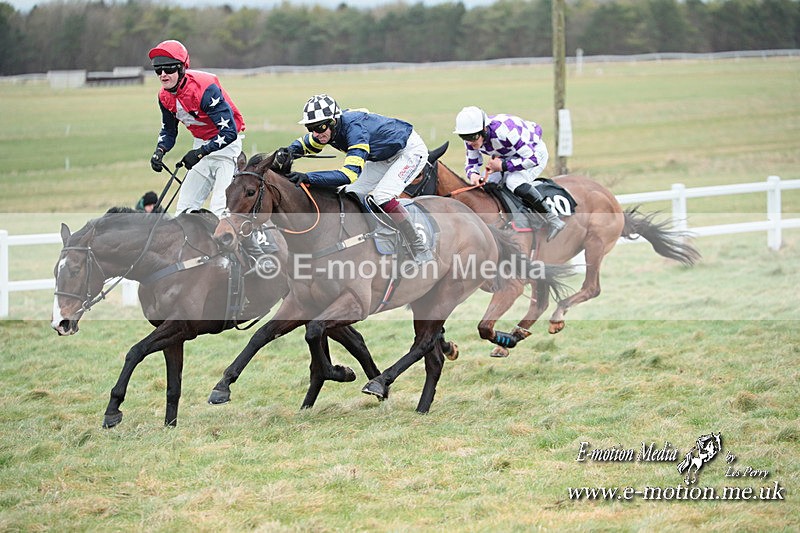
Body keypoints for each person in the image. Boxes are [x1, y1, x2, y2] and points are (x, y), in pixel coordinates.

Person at [278, 94, 432, 262]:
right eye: (310, 127)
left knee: (381, 196)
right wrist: (287, 152)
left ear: (333, 122)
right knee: (350, 193)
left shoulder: (355, 131)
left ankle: (419, 246)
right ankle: (373, 233)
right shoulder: (327, 130)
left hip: (408, 152)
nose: (316, 133)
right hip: (381, 156)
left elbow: (349, 174)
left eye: (320, 127)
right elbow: (305, 145)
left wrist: (308, 177)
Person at [147, 39, 245, 217]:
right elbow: (169, 131)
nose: (163, 74)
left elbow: (229, 132)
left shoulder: (205, 89)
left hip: (227, 149)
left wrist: (200, 153)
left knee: (220, 212)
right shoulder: (164, 96)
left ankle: (256, 245)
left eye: (169, 68)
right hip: (201, 146)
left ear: (182, 68)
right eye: (157, 70)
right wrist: (160, 150)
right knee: (184, 210)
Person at [453, 106, 565, 242]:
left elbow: (532, 159)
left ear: (484, 129)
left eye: (473, 137)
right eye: (464, 137)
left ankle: (553, 219)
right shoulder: (472, 138)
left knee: (513, 182)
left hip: (534, 153)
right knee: (488, 184)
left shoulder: (504, 132)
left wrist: (503, 166)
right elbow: (471, 164)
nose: (470, 142)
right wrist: (474, 175)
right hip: (507, 157)